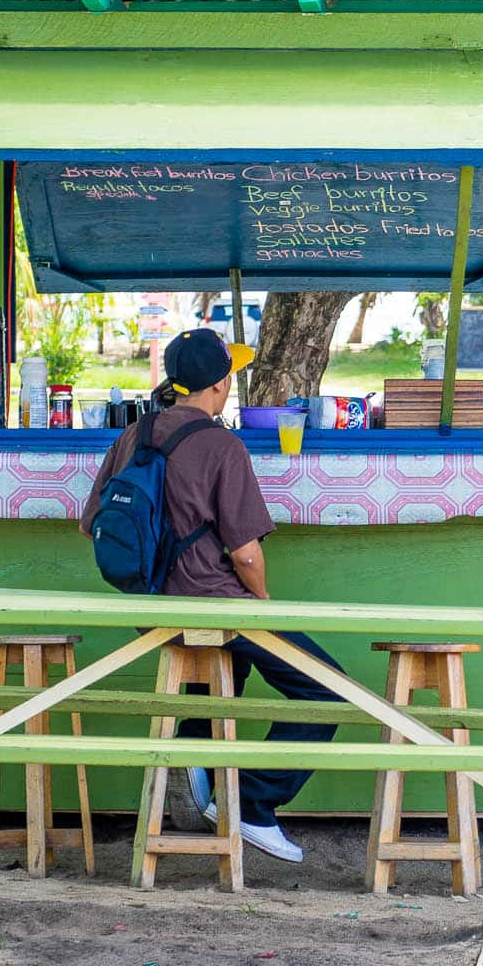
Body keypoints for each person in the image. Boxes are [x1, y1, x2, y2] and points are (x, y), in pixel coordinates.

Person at [80, 327, 341, 863]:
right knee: (328, 690)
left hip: (149, 609)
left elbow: (91, 525)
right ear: (221, 386)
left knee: (225, 668)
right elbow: (245, 554)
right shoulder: (224, 446)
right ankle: (252, 803)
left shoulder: (133, 436)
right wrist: (263, 603)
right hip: (214, 607)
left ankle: (193, 763)